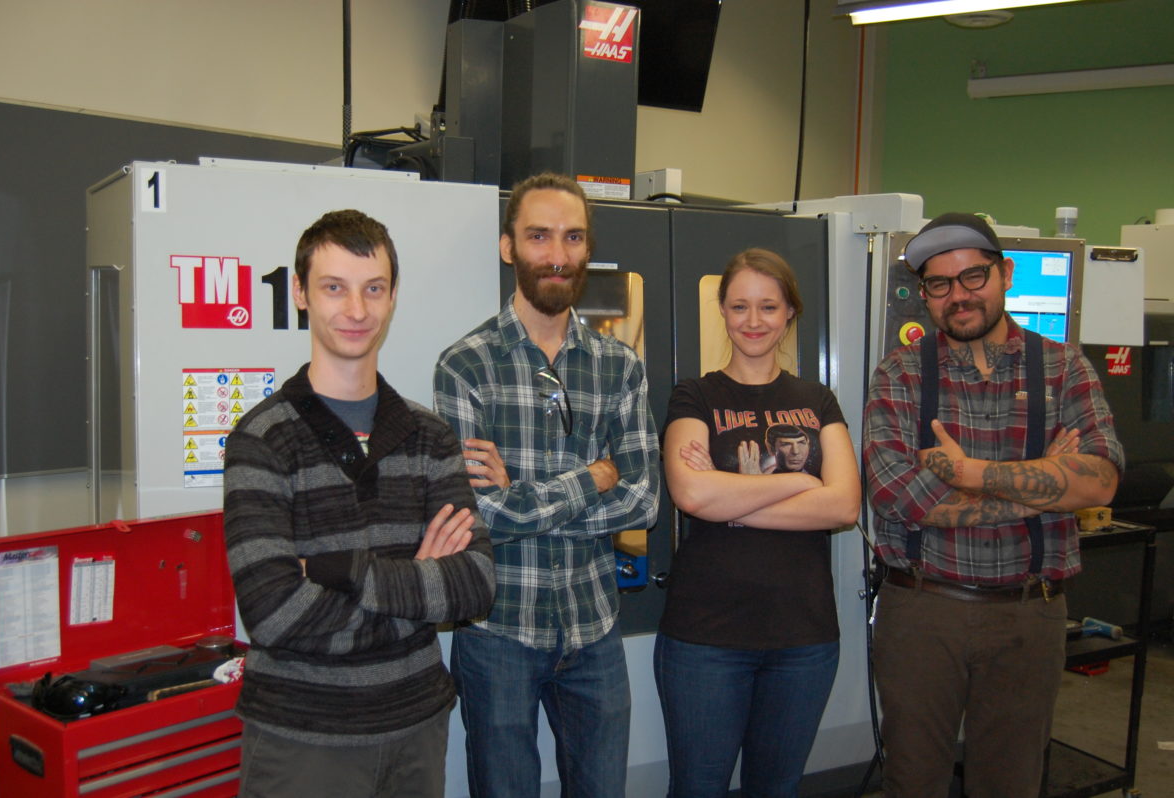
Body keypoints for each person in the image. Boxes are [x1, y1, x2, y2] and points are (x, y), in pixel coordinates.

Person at [223, 209, 496, 798]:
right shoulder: (262, 438)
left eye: (373, 289)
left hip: (416, 730)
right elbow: (272, 611)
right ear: (300, 293)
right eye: (334, 288)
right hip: (302, 740)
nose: (356, 310)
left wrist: (335, 571)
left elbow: (474, 586)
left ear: (392, 296)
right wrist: (417, 586)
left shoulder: (430, 436)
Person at [862, 212, 1123, 798]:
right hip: (922, 612)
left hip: (1029, 614)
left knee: (1011, 782)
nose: (959, 295)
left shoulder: (1066, 369)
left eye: (973, 277)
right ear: (924, 295)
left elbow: (1100, 481)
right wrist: (1043, 489)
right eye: (939, 284)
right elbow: (895, 496)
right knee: (913, 781)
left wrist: (972, 474)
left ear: (1004, 275)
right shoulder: (898, 375)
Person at [433, 172, 661, 798]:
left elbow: (643, 499)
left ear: (587, 249)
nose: (557, 254)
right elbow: (475, 513)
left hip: (595, 630)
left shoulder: (619, 366)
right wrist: (593, 476)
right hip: (498, 631)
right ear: (509, 247)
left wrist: (523, 493)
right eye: (538, 236)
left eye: (572, 237)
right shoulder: (466, 364)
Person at [656, 248, 861, 798]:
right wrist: (799, 482)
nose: (753, 321)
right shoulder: (694, 395)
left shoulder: (817, 400)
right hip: (706, 640)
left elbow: (844, 506)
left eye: (768, 306)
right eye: (740, 306)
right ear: (722, 310)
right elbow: (692, 493)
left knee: (777, 788)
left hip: (804, 638)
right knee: (698, 788)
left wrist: (733, 497)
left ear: (789, 312)